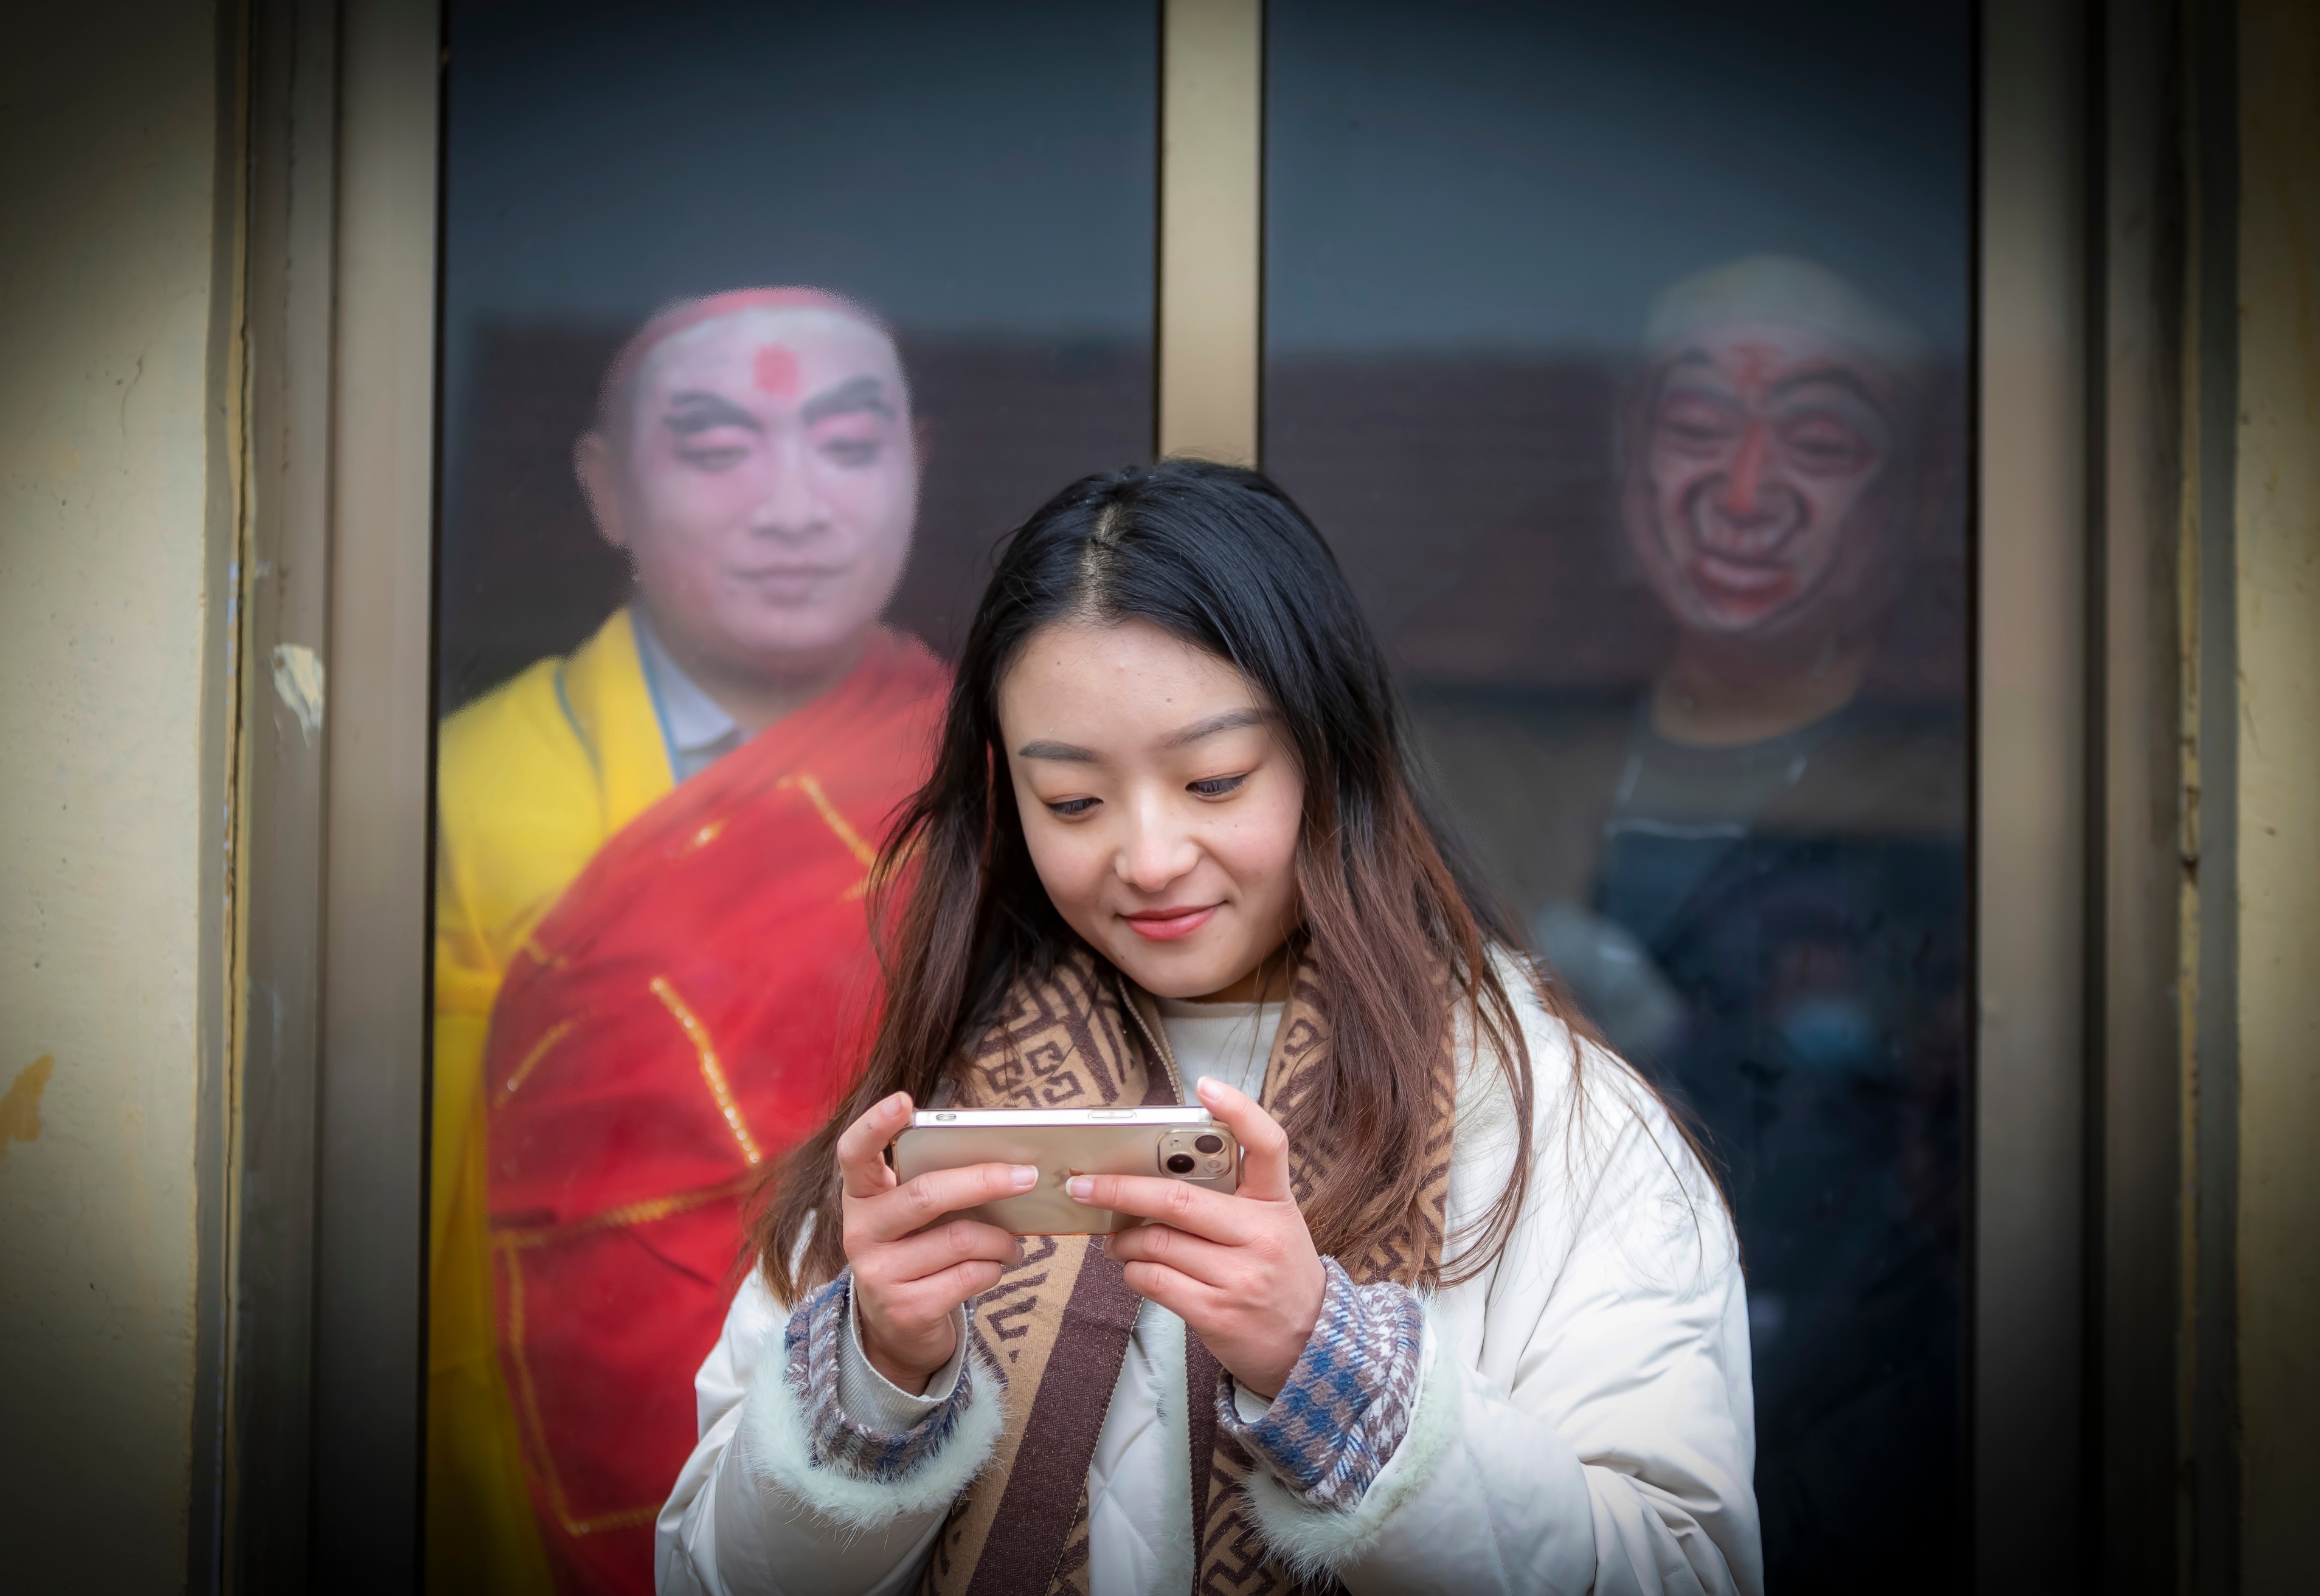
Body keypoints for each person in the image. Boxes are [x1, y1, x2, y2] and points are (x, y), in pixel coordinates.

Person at [656, 461, 1760, 1595]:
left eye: (1215, 781)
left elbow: (1687, 1568)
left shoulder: (1543, 1111)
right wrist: (876, 1376)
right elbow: (701, 1575)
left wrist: (1325, 1366)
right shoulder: (935, 1121)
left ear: (1329, 753)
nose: (1147, 859)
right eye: (1073, 802)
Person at [428, 288, 951, 1594]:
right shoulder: (460, 798)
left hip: (912, 1430)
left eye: (849, 445)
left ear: (915, 465)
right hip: (530, 1462)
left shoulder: (1001, 785)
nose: (793, 508)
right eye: (718, 448)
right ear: (607, 489)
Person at [1509, 255, 1963, 1591]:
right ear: (1626, 473)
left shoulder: (1960, 797)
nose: (1747, 490)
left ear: (1915, 500)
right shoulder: (1513, 766)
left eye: (1818, 442)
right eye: (1698, 428)